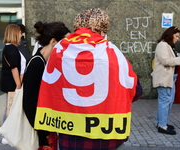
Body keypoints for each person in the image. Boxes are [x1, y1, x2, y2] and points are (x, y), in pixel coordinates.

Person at [34, 8, 141, 150]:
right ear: (103, 31)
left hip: (70, 137)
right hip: (107, 137)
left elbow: (51, 89)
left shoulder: (60, 51)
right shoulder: (113, 52)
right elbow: (136, 90)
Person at [22, 21, 70, 150]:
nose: (68, 45)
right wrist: (43, 133)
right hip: (41, 132)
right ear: (54, 41)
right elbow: (29, 103)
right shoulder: (36, 64)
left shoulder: (46, 62)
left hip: (47, 128)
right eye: (65, 41)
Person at [151, 26, 180, 135]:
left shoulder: (168, 45)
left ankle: (161, 122)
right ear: (170, 35)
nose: (177, 38)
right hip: (164, 78)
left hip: (170, 78)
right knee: (165, 102)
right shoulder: (162, 45)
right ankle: (162, 126)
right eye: (176, 36)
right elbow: (166, 61)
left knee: (167, 101)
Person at [0, 24, 22, 144]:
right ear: (14, 34)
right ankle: (6, 134)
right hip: (12, 83)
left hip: (10, 82)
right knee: (10, 108)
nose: (21, 35)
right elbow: (14, 68)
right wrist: (18, 85)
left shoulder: (9, 48)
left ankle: (7, 133)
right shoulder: (12, 49)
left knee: (9, 108)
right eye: (19, 33)